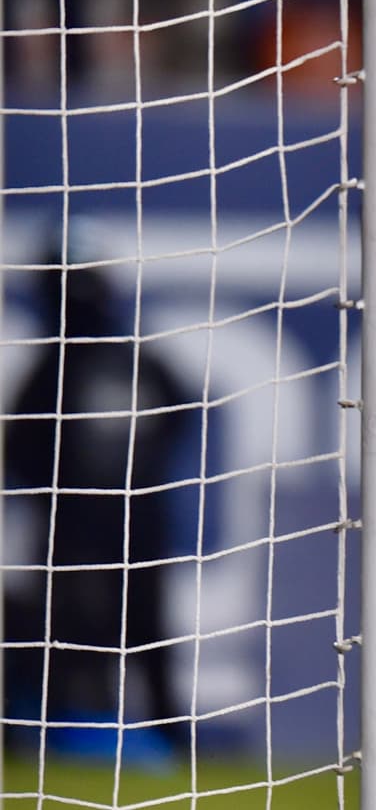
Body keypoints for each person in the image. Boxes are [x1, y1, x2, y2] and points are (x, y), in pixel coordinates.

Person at [4, 233, 191, 757]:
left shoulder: (68, 371)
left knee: (120, 646)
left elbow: (19, 451)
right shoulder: (88, 368)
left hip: (105, 540)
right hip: (110, 538)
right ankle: (105, 734)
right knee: (104, 648)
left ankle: (151, 738)